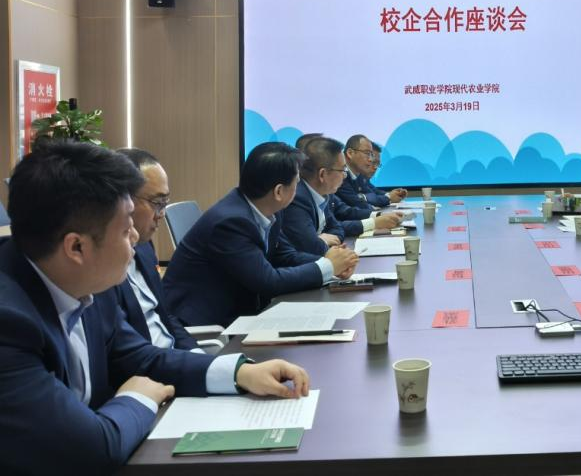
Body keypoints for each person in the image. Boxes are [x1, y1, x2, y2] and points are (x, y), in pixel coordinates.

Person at [0, 141, 311, 474]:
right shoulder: (9, 324)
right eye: (125, 230)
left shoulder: (83, 281)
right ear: (77, 247)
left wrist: (239, 373)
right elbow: (91, 449)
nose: (136, 238)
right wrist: (138, 398)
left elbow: (137, 356)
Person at [163, 142, 358, 327]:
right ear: (279, 191)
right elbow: (269, 282)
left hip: (244, 308)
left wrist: (331, 262)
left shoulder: (268, 209)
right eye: (296, 182)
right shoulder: (231, 222)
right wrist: (327, 266)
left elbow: (285, 256)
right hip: (208, 323)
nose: (298, 188)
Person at [112, 148, 198, 350]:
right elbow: (129, 355)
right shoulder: (100, 269)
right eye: (157, 203)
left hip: (174, 358)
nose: (162, 214)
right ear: (124, 200)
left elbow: (166, 316)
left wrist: (197, 354)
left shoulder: (144, 246)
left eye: (165, 203)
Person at [280, 136, 353, 255]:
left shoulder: (323, 194)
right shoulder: (296, 198)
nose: (345, 176)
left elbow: (337, 228)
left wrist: (323, 240)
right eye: (342, 170)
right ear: (322, 174)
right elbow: (311, 247)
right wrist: (321, 241)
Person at [364, 142, 408, 206]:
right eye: (373, 162)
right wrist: (389, 197)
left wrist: (392, 194)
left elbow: (375, 191)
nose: (375, 167)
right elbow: (369, 198)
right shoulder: (352, 179)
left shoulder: (364, 181)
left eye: (378, 164)